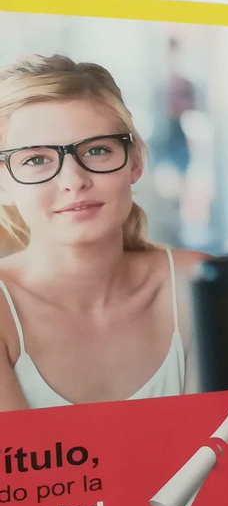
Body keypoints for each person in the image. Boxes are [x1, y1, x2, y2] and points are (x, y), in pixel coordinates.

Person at [0, 54, 205, 410]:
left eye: (96, 150)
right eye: (36, 159)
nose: (74, 182)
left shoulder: (199, 286)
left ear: (136, 160)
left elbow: (225, 451)